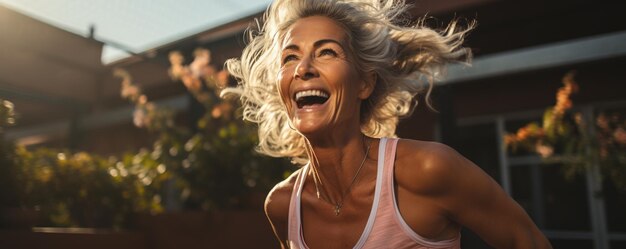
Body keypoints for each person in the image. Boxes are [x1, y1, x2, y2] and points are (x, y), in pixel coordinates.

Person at [224, 0, 552, 248]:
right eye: (290, 57)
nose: (303, 68)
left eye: (326, 52)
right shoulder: (283, 207)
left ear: (364, 84)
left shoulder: (428, 170)